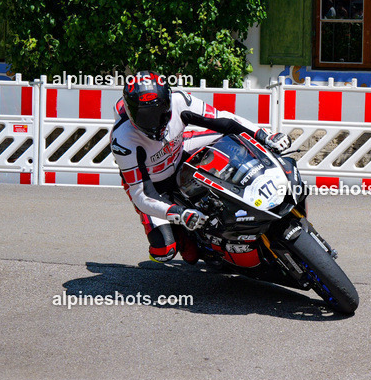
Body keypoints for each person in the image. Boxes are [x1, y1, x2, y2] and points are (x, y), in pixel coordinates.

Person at [110, 71, 290, 263]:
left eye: (159, 111)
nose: (153, 121)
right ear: (130, 113)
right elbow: (142, 194)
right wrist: (179, 214)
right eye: (144, 115)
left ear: (168, 101)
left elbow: (225, 120)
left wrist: (264, 135)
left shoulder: (180, 100)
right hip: (155, 186)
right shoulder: (123, 140)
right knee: (165, 250)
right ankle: (188, 235)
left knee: (231, 136)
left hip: (180, 149)